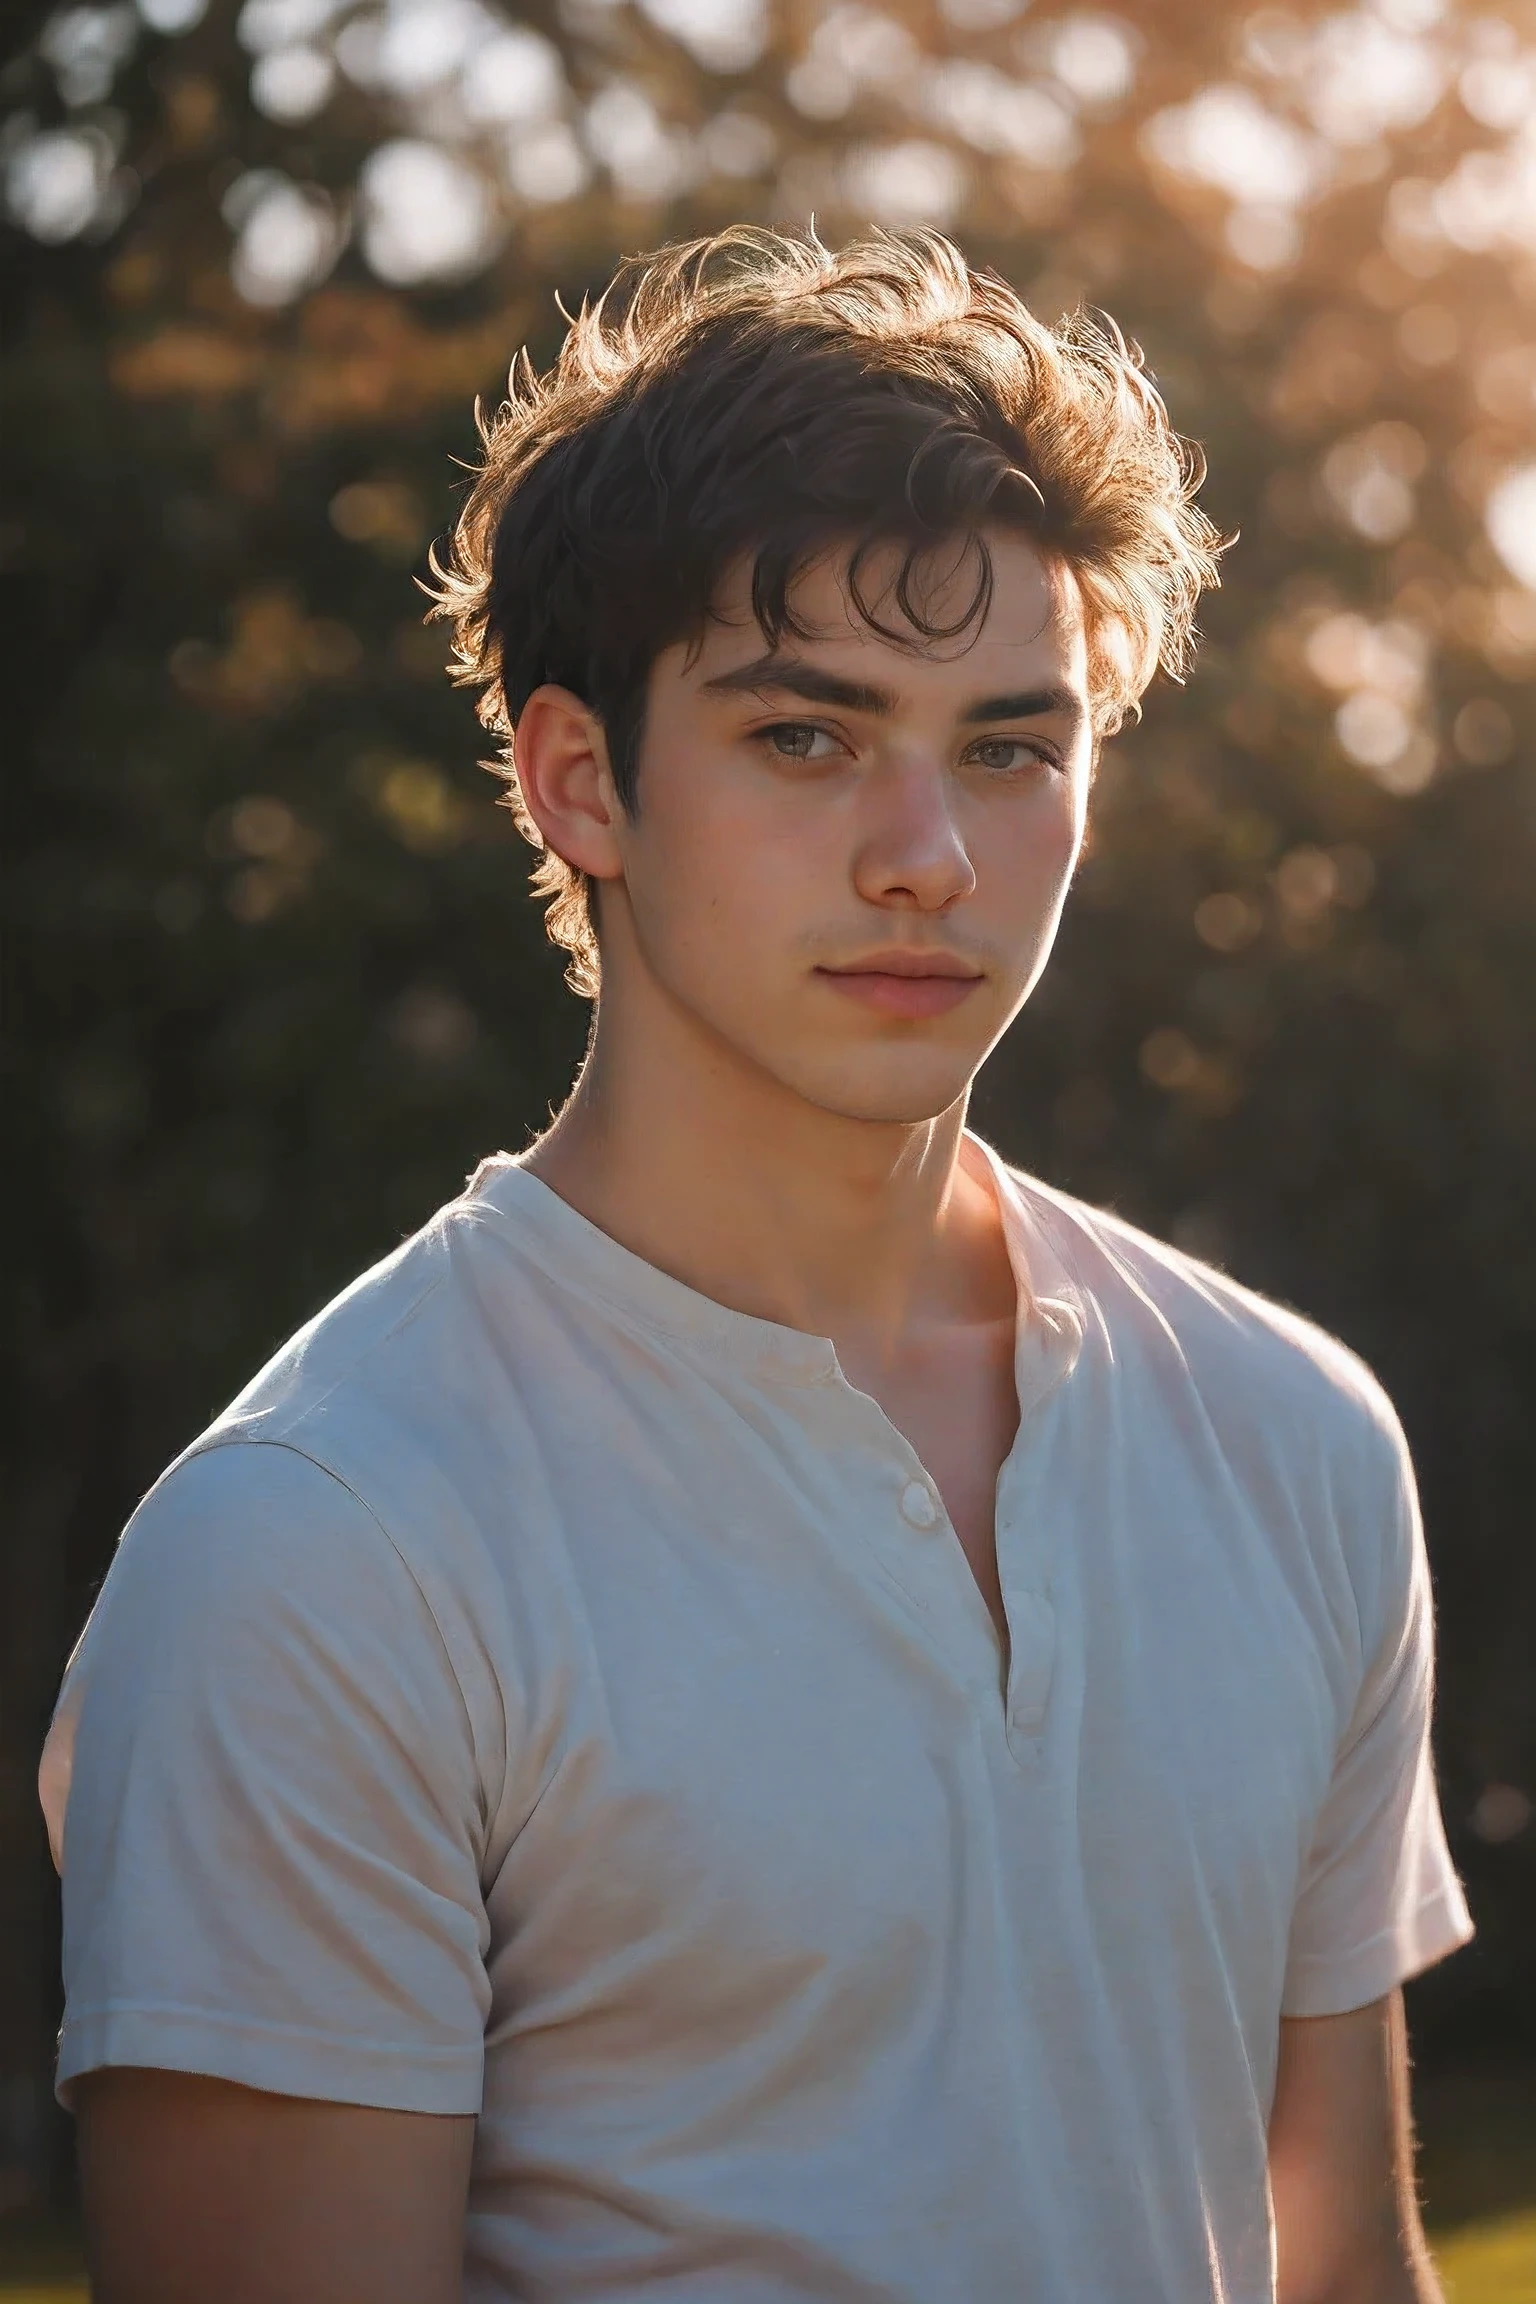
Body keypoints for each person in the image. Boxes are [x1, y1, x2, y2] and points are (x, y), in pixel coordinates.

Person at [41, 228, 1472, 2304]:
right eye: (808, 738)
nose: (930, 854)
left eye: (1009, 746)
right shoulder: (316, 1553)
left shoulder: (1290, 1435)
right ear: (577, 779)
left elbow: (1346, 2269)